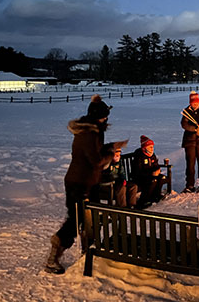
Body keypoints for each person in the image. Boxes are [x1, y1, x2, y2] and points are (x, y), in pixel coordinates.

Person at [46, 95, 117, 274]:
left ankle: (89, 251)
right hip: (78, 182)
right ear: (97, 117)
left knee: (90, 218)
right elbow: (96, 160)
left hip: (87, 181)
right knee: (75, 220)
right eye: (104, 116)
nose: (106, 119)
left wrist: (109, 146)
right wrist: (109, 153)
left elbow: (94, 153)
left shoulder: (93, 131)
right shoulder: (88, 134)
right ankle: (53, 257)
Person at [131, 135, 168, 208]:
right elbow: (138, 171)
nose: (152, 149)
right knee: (153, 180)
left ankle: (156, 196)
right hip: (140, 177)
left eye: (152, 147)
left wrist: (157, 170)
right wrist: (151, 173)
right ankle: (144, 200)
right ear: (145, 147)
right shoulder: (139, 156)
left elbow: (156, 165)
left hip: (150, 175)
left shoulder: (152, 155)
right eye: (150, 147)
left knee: (162, 178)